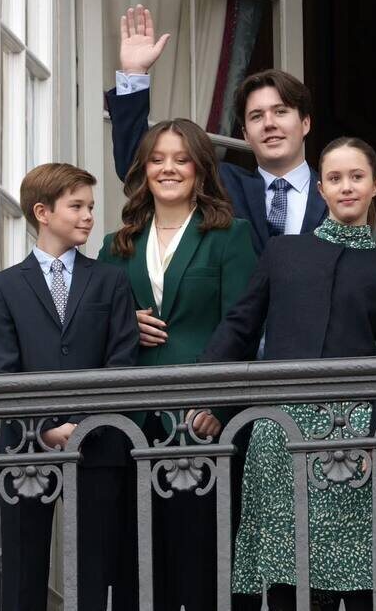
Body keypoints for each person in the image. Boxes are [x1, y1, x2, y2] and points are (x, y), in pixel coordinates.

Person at [202, 137, 376, 611]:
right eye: (335, 179)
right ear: (320, 189)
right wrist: (203, 390)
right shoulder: (283, 252)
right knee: (284, 579)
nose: (346, 187)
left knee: (361, 580)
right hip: (280, 428)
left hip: (353, 434)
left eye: (357, 177)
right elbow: (240, 325)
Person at [97, 117, 257, 611]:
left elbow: (244, 327)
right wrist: (126, 322)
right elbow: (97, 334)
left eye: (181, 158)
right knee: (139, 572)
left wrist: (220, 407)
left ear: (201, 169)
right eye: (157, 159)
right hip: (134, 425)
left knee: (202, 568)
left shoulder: (230, 235)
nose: (168, 168)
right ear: (143, 170)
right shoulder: (115, 245)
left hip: (202, 423)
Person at [0, 163, 139, 611]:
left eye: (90, 206)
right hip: (24, 449)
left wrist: (82, 426)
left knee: (96, 568)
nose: (89, 215)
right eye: (77, 206)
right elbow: (5, 373)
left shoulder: (111, 280)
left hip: (100, 446)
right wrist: (45, 427)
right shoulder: (4, 287)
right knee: (21, 571)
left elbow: (121, 362)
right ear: (42, 212)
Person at [108, 4, 327, 258]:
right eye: (256, 116)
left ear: (306, 123)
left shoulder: (337, 189)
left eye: (280, 112)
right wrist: (134, 74)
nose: (269, 123)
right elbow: (137, 169)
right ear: (245, 134)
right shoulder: (221, 183)